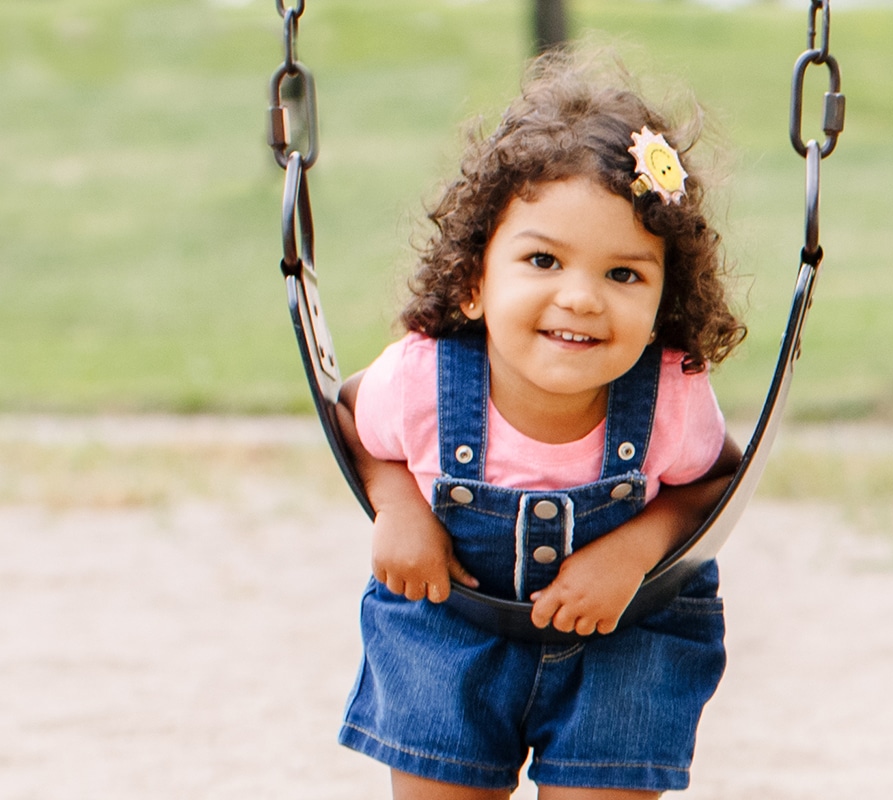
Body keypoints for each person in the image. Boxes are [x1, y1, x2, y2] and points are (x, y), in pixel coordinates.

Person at [334, 48, 746, 800]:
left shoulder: (670, 397)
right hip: (450, 628)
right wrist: (398, 506)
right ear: (473, 283)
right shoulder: (423, 376)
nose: (582, 298)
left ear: (664, 303)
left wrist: (636, 549)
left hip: (623, 640)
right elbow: (351, 419)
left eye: (624, 274)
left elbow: (719, 481)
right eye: (544, 260)